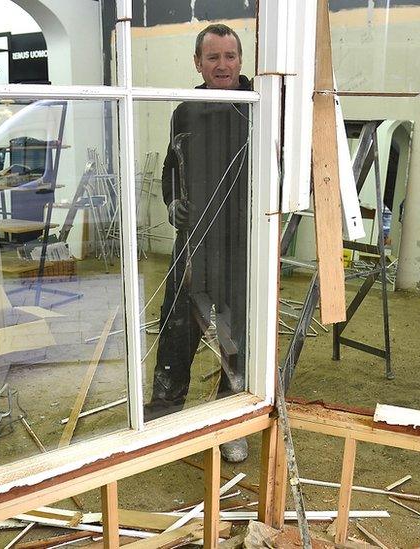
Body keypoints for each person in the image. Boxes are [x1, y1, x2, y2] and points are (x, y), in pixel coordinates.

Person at [145, 24, 252, 462]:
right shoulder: (186, 110)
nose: (222, 65)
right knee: (177, 326)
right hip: (192, 244)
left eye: (230, 57)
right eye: (213, 58)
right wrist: (173, 205)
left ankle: (230, 423)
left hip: (242, 246)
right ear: (198, 63)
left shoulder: (257, 105)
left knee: (236, 335)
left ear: (240, 61)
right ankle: (166, 414)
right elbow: (171, 168)